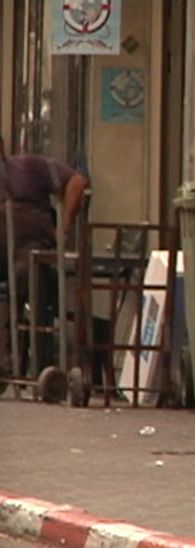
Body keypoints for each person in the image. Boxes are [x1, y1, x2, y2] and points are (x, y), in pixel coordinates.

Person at [0, 138, 90, 376]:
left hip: (30, 252)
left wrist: (65, 227)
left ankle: (30, 360)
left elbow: (77, 181)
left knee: (25, 276)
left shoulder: (28, 167)